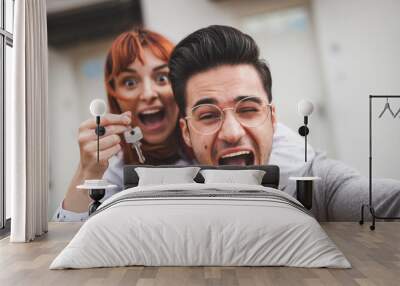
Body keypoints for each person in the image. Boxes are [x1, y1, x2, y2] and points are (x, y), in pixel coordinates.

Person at [168, 25, 400, 221]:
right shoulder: (170, 206)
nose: (232, 133)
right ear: (186, 131)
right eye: (208, 115)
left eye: (248, 109)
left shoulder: (316, 188)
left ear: (272, 118)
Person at [54, 29, 193, 221]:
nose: (148, 93)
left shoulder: (207, 152)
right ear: (116, 97)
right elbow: (68, 240)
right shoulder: (112, 173)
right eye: (130, 82)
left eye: (162, 78)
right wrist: (87, 171)